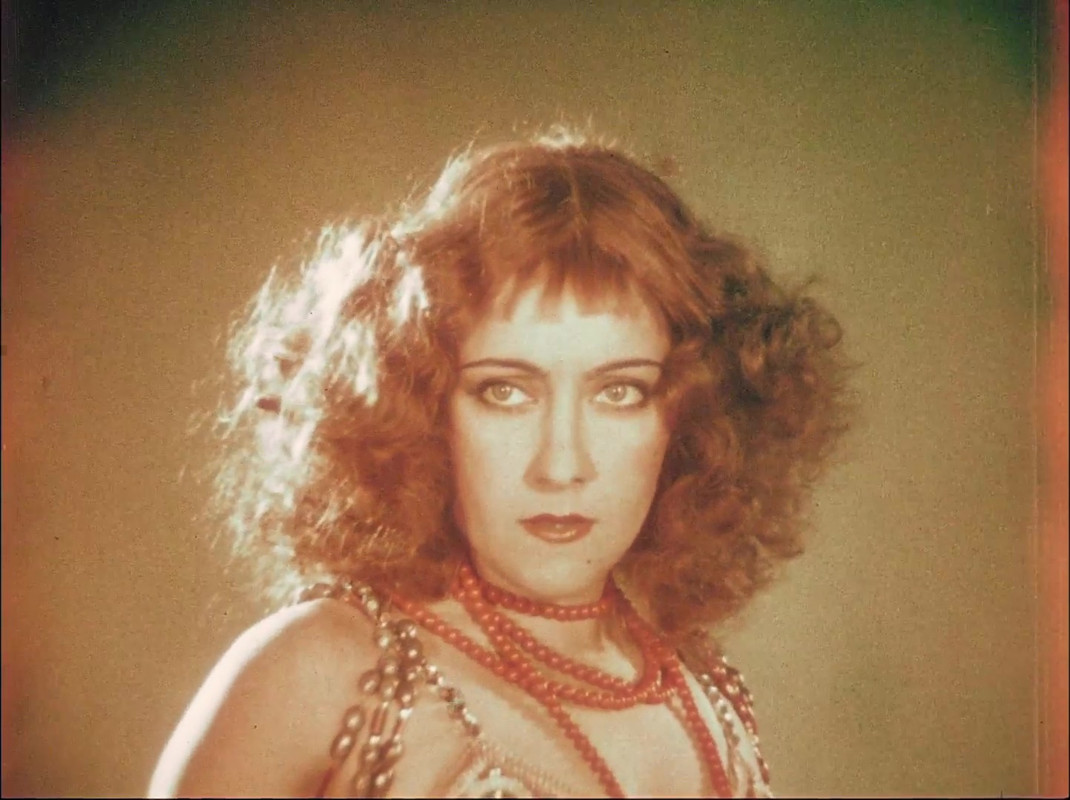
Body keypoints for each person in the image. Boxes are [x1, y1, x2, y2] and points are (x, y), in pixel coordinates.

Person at [149, 129, 849, 798]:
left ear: (693, 420)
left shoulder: (705, 693)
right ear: (423, 406)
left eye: (620, 393)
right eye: (505, 392)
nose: (562, 465)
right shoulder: (323, 672)